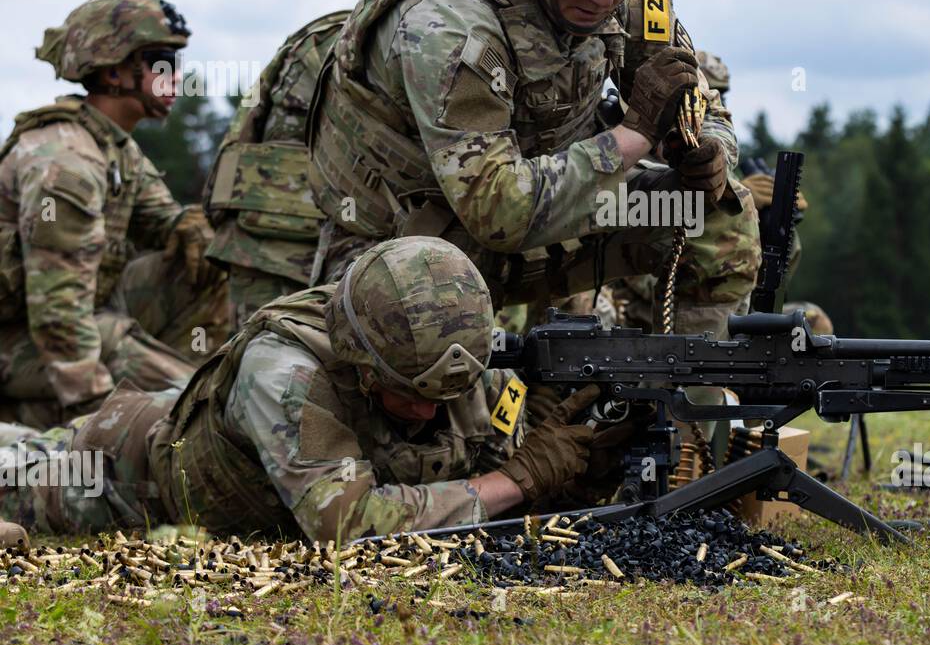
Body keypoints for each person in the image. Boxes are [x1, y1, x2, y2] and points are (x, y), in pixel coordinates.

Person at [307, 0, 760, 340]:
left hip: (529, 238)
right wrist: (631, 137)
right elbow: (498, 211)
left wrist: (706, 150)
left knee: (712, 216)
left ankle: (679, 409)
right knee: (460, 388)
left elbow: (704, 110)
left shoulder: (630, 2)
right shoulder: (449, 26)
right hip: (402, 260)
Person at [0, 237, 599, 544]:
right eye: (406, 393)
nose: (426, 412)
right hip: (119, 478)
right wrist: (512, 482)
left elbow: (500, 458)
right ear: (359, 359)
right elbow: (347, 525)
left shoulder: (459, 348)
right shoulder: (284, 370)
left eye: (442, 397)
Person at [0, 0, 228, 429]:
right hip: (23, 334)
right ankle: (56, 418)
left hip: (85, 317)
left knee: (205, 257)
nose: (174, 78)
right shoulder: (67, 161)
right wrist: (101, 416)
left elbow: (164, 220)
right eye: (161, 63)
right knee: (196, 418)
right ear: (115, 71)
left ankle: (182, 383)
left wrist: (190, 225)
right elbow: (57, 309)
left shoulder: (113, 147)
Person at [204, 0, 440, 329]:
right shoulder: (368, 44)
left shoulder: (322, 35)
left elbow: (239, 144)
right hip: (298, 249)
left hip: (269, 242)